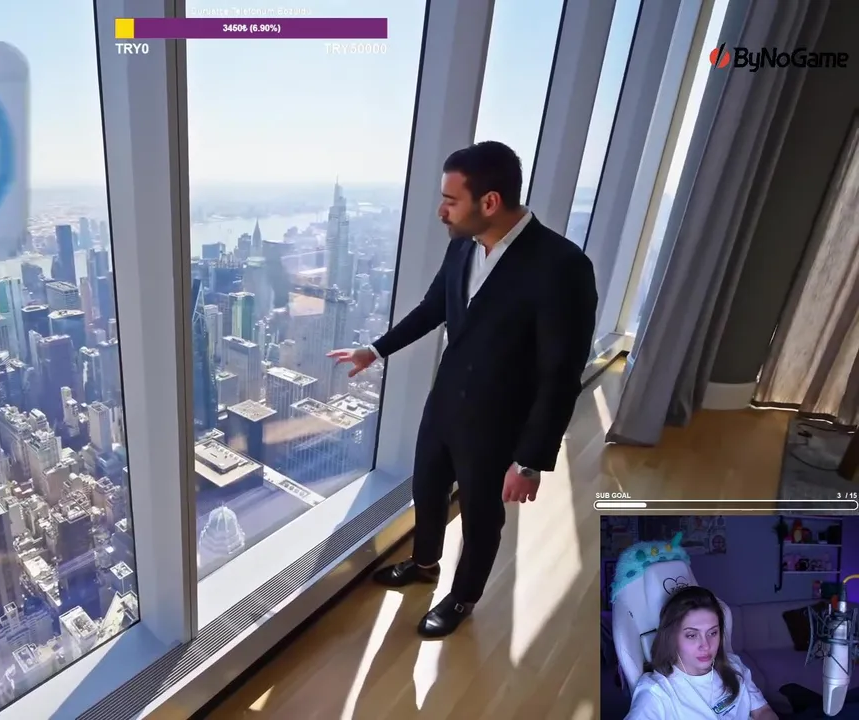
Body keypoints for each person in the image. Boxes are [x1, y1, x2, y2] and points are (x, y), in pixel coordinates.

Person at [328, 140, 597, 637]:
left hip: (500, 423)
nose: (441, 211)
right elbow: (435, 307)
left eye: (451, 200)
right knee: (427, 491)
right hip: (446, 401)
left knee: (480, 517)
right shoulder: (463, 245)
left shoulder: (562, 267)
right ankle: (424, 564)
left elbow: (562, 375)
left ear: (489, 202)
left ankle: (463, 597)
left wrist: (530, 461)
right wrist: (375, 350)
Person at [626, 586, 777, 719]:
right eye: (692, 635)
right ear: (672, 638)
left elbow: (763, 711)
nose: (705, 646)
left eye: (712, 633)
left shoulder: (734, 665)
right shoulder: (657, 693)